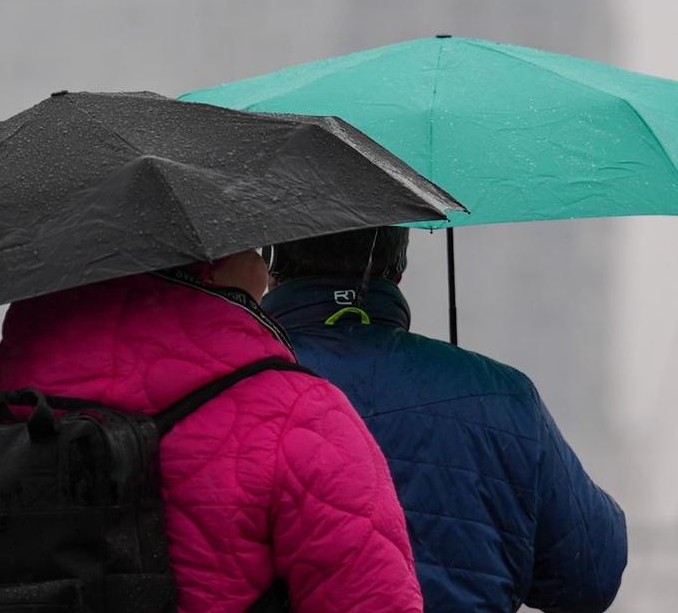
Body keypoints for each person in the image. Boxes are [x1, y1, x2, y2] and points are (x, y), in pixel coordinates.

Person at [0, 249, 424, 613]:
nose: (264, 267)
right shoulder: (298, 413)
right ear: (208, 269)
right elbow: (371, 597)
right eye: (247, 245)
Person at [262, 228, 627, 613]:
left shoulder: (236, 395)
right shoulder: (503, 397)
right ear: (399, 269)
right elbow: (590, 576)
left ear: (271, 269)